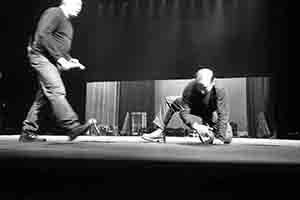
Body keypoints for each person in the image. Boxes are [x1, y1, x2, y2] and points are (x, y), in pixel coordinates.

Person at [19, 0, 98, 142]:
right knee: (56, 90)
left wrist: (69, 58)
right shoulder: (54, 12)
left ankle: (28, 131)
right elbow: (42, 35)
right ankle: (72, 126)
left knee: (43, 97)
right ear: (66, 2)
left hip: (51, 60)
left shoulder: (67, 23)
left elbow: (57, 45)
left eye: (81, 6)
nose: (79, 9)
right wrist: (60, 59)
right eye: (77, 4)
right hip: (41, 57)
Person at [141, 67, 233, 144]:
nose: (201, 91)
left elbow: (223, 114)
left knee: (227, 137)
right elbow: (184, 112)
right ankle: (159, 132)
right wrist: (196, 125)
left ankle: (213, 133)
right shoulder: (190, 88)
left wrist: (220, 138)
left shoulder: (219, 90)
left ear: (213, 83)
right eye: (199, 86)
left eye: (204, 88)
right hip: (194, 107)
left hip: (210, 113)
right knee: (170, 100)